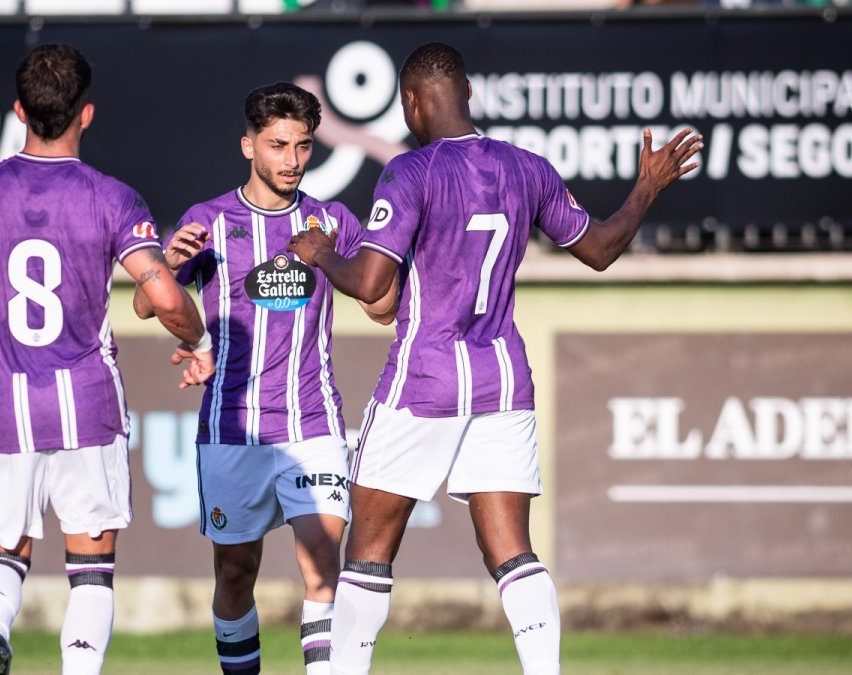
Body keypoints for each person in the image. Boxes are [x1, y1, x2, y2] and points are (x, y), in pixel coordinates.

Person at [288, 42, 703, 675]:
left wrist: (321, 253)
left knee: (367, 556)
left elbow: (371, 285)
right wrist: (645, 189)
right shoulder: (525, 168)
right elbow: (599, 250)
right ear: (470, 93)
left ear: (409, 103)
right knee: (512, 554)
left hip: (422, 382)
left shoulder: (412, 171)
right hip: (503, 380)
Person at [0, 43, 214, 675]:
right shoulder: (111, 197)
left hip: (6, 401)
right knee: (91, 570)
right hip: (86, 401)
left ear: (19, 110)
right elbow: (162, 295)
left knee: (1, 553)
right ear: (87, 114)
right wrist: (200, 342)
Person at [135, 81, 396, 675]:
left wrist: (374, 290)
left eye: (303, 146)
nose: (292, 160)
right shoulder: (207, 220)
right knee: (234, 574)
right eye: (278, 145)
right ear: (248, 145)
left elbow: (380, 303)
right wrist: (170, 264)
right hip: (233, 428)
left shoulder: (332, 220)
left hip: (313, 421)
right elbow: (146, 308)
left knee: (324, 565)